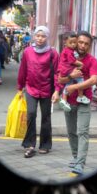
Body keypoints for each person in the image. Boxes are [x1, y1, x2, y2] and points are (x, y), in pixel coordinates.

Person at [57, 30, 97, 175]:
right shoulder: (66, 56)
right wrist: (71, 77)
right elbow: (60, 80)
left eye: (86, 44)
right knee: (71, 131)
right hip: (69, 101)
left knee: (83, 131)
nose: (82, 46)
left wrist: (75, 86)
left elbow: (94, 80)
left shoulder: (92, 60)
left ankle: (80, 163)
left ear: (90, 46)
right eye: (80, 42)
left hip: (84, 101)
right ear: (75, 42)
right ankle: (75, 156)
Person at [17, 25, 60, 158]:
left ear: (47, 37)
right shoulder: (28, 52)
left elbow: (58, 73)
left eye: (43, 36)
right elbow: (23, 69)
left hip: (47, 89)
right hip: (31, 88)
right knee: (31, 114)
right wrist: (20, 87)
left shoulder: (53, 53)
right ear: (34, 36)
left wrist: (57, 90)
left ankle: (45, 144)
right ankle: (30, 144)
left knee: (46, 117)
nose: (40, 39)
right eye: (38, 35)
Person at [58, 32, 90, 112]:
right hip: (67, 69)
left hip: (65, 70)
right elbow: (72, 60)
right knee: (80, 79)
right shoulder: (68, 51)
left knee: (69, 83)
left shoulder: (69, 50)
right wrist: (80, 64)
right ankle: (80, 96)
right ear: (65, 43)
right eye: (71, 43)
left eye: (74, 43)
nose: (73, 44)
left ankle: (64, 100)